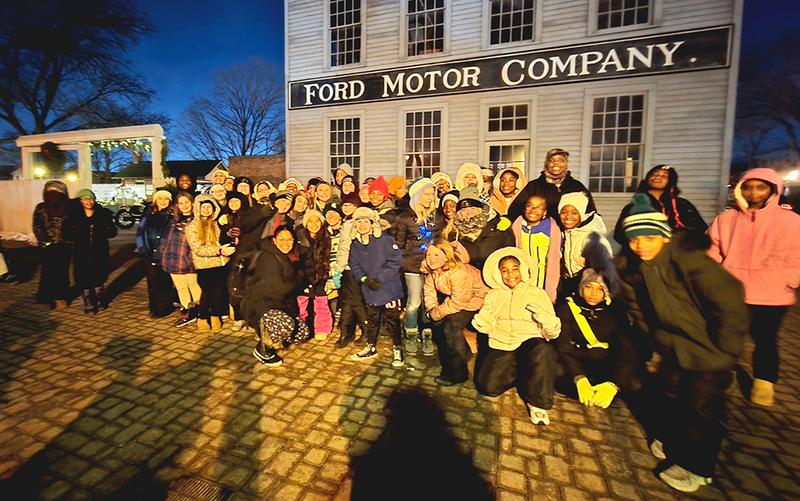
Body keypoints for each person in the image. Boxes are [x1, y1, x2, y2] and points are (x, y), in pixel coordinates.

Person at [615, 195, 748, 493]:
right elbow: (637, 307)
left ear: (663, 236)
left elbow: (729, 303)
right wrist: (656, 335)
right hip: (674, 346)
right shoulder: (631, 268)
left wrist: (725, 350)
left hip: (710, 350)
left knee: (700, 408)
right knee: (670, 393)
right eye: (634, 240)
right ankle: (673, 438)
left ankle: (696, 466)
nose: (642, 246)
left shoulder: (689, 261)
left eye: (649, 237)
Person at [707, 168, 800, 407]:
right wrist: (711, 273)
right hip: (731, 289)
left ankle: (763, 382)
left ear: (773, 189)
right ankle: (720, 375)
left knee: (765, 339)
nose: (753, 192)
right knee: (725, 336)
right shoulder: (726, 219)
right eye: (748, 186)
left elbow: (796, 255)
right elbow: (712, 248)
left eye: (761, 187)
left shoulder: (791, 221)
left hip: (771, 292)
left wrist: (790, 278)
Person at [472, 248, 561, 425]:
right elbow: (489, 328)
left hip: (530, 343)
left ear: (523, 270)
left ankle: (538, 402)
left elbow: (552, 333)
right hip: (502, 343)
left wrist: (546, 318)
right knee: (488, 387)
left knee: (544, 350)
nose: (510, 274)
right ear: (498, 273)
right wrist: (482, 321)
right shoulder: (493, 294)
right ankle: (525, 376)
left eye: (514, 268)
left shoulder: (537, 293)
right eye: (504, 270)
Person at [555, 269, 637, 408]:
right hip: (575, 359)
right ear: (581, 288)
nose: (594, 293)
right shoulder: (566, 308)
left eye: (600, 289)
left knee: (635, 383)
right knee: (556, 370)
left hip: (603, 362)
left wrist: (614, 385)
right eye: (589, 287)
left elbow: (627, 348)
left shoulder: (616, 312)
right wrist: (579, 377)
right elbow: (562, 345)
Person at [422, 240, 488, 386]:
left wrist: (437, 313)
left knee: (451, 325)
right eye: (428, 255)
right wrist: (432, 310)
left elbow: (459, 302)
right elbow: (429, 292)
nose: (431, 258)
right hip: (462, 300)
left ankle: (458, 372)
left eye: (436, 254)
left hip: (480, 300)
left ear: (447, 257)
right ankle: (463, 353)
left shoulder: (458, 272)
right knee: (441, 323)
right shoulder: (435, 271)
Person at [392, 178, 445, 355]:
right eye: (427, 194)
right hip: (412, 266)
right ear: (417, 195)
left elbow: (440, 240)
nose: (431, 198)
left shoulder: (437, 216)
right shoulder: (405, 217)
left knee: (429, 303)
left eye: (433, 194)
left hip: (433, 266)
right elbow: (398, 245)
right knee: (414, 302)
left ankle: (427, 334)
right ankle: (411, 334)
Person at [347, 207, 405, 367]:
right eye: (359, 221)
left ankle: (398, 348)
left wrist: (380, 278)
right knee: (372, 320)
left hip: (388, 290)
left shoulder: (385, 241)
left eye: (366, 221)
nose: (362, 225)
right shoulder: (355, 245)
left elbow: (396, 260)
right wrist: (364, 279)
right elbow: (354, 264)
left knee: (392, 320)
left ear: (373, 224)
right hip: (370, 290)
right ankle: (371, 346)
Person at [246, 226, 312, 367]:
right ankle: (263, 349)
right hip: (262, 305)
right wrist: (300, 277)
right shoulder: (268, 258)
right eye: (282, 239)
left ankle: (270, 331)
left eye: (290, 239)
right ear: (275, 241)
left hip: (282, 304)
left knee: (302, 334)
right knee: (285, 326)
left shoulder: (289, 256)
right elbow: (283, 288)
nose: (286, 243)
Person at [614, 165, 708, 246]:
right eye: (653, 174)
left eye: (664, 176)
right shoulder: (635, 206)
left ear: (670, 181)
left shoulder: (682, 205)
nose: (657, 177)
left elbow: (700, 230)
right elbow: (620, 234)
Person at [186, 195, 235, 332]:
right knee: (207, 291)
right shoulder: (193, 227)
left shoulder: (217, 223)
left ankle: (215, 315)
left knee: (219, 291)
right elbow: (197, 248)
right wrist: (218, 250)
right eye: (203, 207)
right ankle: (202, 317)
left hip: (221, 263)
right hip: (205, 264)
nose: (206, 210)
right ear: (198, 208)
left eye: (209, 207)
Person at [65, 189, 117, 313]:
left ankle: (99, 297)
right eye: (84, 199)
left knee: (99, 275)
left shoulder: (103, 215)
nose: (88, 201)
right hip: (81, 252)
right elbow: (66, 235)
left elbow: (112, 233)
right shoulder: (73, 217)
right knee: (83, 277)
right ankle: (87, 301)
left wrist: (107, 228)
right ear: (79, 201)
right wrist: (73, 230)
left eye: (91, 199)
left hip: (99, 251)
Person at [557, 192, 616, 302]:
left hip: (587, 284)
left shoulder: (591, 237)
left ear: (582, 213)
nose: (568, 216)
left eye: (574, 213)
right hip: (569, 280)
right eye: (563, 212)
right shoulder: (568, 231)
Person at [508, 148, 595, 221]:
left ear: (566, 164)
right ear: (546, 164)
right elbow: (516, 208)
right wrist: (508, 220)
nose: (556, 163)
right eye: (551, 160)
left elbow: (590, 212)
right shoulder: (534, 186)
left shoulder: (577, 187)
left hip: (568, 234)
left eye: (561, 160)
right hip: (541, 234)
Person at [331, 197, 369, 350]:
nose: (347, 208)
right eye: (344, 205)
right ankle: (347, 332)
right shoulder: (347, 224)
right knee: (347, 301)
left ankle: (366, 331)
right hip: (347, 269)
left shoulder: (364, 222)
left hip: (360, 269)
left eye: (351, 205)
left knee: (357, 301)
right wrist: (339, 270)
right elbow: (343, 248)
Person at [445, 187, 515, 270]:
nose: (468, 213)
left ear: (480, 210)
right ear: (459, 213)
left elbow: (510, 255)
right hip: (467, 277)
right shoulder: (453, 233)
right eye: (464, 210)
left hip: (495, 275)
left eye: (473, 209)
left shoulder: (498, 227)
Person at [511, 195, 561, 303]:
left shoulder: (552, 229)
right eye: (530, 206)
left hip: (543, 281)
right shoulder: (517, 226)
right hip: (522, 280)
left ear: (544, 212)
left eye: (538, 207)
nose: (533, 210)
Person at [162, 191, 201, 327]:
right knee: (180, 287)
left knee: (193, 285)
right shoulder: (172, 221)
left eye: (186, 202)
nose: (184, 205)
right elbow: (165, 239)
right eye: (181, 203)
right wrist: (163, 252)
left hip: (189, 258)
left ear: (192, 203)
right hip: (172, 258)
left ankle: (199, 310)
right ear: (177, 206)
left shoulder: (197, 219)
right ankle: (186, 312)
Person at [32, 180, 72, 309]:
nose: (54, 194)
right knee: (48, 272)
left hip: (65, 245)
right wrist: (46, 242)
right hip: (48, 246)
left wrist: (70, 239)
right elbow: (37, 226)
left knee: (62, 272)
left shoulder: (69, 208)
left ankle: (60, 296)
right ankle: (44, 297)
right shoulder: (41, 208)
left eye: (58, 191)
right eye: (50, 191)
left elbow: (74, 225)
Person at [136, 188, 176, 317]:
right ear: (155, 200)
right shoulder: (148, 214)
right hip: (149, 252)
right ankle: (154, 306)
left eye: (166, 199)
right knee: (152, 281)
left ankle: (164, 307)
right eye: (160, 198)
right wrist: (143, 250)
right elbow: (140, 232)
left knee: (165, 281)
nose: (163, 201)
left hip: (165, 253)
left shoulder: (173, 216)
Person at [297, 210, 334, 340]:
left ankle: (322, 328)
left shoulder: (326, 237)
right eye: (310, 221)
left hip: (320, 276)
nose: (314, 224)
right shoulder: (299, 237)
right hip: (303, 277)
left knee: (321, 304)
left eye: (317, 221)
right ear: (306, 223)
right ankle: (300, 328)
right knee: (301, 305)